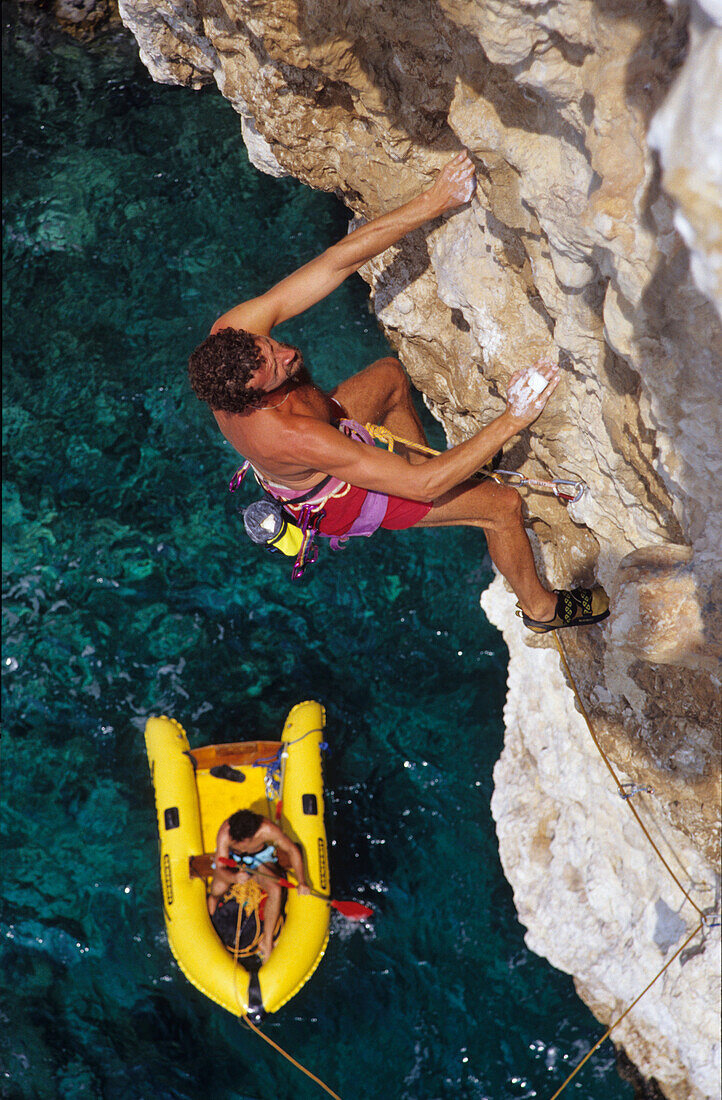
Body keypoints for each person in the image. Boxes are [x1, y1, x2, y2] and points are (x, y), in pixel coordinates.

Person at [188, 150, 608, 633]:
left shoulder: (232, 339)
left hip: (333, 435)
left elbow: (334, 263)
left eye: (271, 344)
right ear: (253, 398)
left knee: (388, 376)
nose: (286, 354)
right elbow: (421, 487)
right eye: (278, 370)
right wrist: (514, 417)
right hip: (341, 494)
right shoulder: (290, 436)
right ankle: (542, 611)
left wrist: (434, 201)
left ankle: (425, 462)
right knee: (502, 506)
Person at [208, 808, 311, 962]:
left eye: (241, 843)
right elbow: (220, 867)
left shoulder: (267, 829)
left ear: (253, 836)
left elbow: (292, 850)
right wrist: (235, 877)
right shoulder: (226, 831)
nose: (239, 845)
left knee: (275, 890)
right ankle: (210, 931)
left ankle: (266, 942)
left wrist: (302, 881)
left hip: (260, 860)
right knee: (216, 891)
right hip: (232, 861)